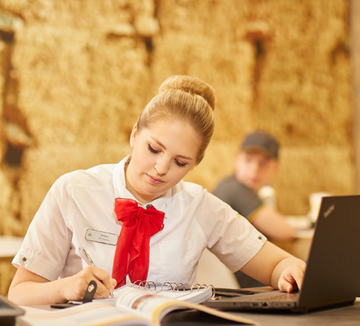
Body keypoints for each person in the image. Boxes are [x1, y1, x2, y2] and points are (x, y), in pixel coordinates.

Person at [8, 75, 305, 306]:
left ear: (195, 164)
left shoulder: (201, 207)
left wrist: (291, 271)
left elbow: (279, 264)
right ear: (134, 134)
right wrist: (65, 287)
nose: (161, 168)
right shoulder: (73, 191)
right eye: (153, 149)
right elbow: (20, 293)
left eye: (180, 162)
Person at [213, 130, 295, 287]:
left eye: (263, 163)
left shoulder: (230, 185)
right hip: (237, 284)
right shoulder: (235, 189)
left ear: (275, 168)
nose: (254, 169)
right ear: (236, 160)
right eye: (248, 160)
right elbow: (285, 231)